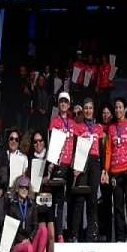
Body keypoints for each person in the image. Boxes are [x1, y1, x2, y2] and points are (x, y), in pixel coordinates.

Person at [104, 97, 127, 242]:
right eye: (116, 107)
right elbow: (108, 150)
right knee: (118, 206)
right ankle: (120, 237)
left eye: (120, 107)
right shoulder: (111, 128)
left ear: (125, 109)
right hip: (115, 172)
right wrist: (106, 170)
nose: (118, 110)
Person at [71, 97, 105, 241]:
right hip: (82, 163)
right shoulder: (78, 127)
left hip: (95, 164)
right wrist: (75, 166)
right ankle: (75, 235)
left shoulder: (99, 128)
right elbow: (74, 149)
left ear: (93, 110)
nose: (88, 110)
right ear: (83, 111)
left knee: (92, 200)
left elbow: (102, 150)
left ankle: (91, 235)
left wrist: (103, 170)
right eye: (86, 108)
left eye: (90, 108)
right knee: (79, 200)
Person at [48, 91, 77, 239]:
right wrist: (52, 163)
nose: (63, 104)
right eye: (61, 102)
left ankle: (71, 233)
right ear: (58, 104)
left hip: (70, 166)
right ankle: (59, 234)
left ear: (69, 104)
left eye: (66, 101)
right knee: (58, 200)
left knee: (70, 199)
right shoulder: (54, 122)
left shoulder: (73, 123)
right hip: (59, 165)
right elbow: (51, 143)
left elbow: (78, 143)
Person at [4, 176, 49, 252]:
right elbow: (9, 231)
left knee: (43, 230)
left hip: (29, 242)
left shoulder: (32, 206)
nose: (24, 190)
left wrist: (29, 239)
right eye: (22, 187)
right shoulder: (12, 207)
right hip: (17, 244)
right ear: (17, 189)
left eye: (26, 188)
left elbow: (35, 226)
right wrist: (21, 241)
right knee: (27, 248)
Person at [97, 105, 115, 240]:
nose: (106, 115)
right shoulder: (98, 129)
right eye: (103, 113)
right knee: (101, 202)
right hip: (100, 169)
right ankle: (101, 232)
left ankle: (110, 234)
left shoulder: (114, 129)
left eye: (108, 113)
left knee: (111, 202)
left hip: (113, 169)